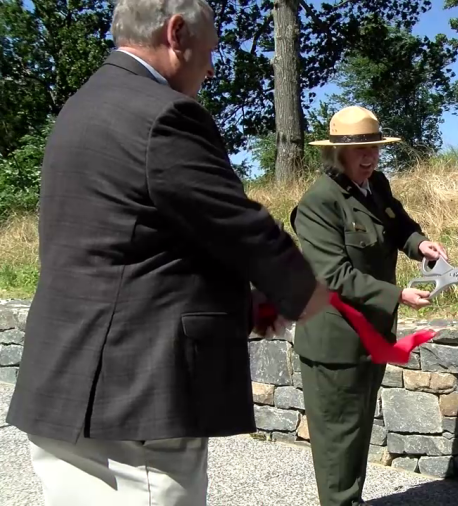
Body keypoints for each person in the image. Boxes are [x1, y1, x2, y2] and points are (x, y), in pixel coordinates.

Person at [5, 0, 329, 504]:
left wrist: (245, 303)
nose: (213, 66)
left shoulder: (81, 107)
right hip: (135, 405)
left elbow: (138, 248)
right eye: (211, 49)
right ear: (176, 33)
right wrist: (302, 291)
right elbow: (235, 223)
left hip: (67, 388)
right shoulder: (164, 114)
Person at [289, 105, 448, 506]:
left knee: (357, 431)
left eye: (374, 147)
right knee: (337, 439)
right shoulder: (319, 203)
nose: (370, 156)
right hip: (335, 341)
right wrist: (399, 295)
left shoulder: (376, 184)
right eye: (360, 150)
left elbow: (399, 226)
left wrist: (420, 246)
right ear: (335, 154)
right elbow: (335, 275)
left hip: (370, 334)